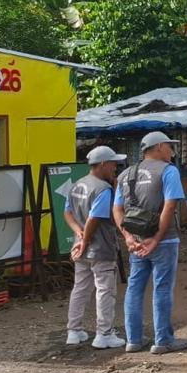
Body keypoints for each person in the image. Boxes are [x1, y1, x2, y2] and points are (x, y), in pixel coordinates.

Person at [113, 131, 187, 354]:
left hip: (136, 241)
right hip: (164, 240)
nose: (172, 151)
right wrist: (156, 238)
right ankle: (163, 340)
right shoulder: (169, 171)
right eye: (169, 146)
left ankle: (133, 340)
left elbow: (117, 209)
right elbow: (170, 207)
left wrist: (128, 237)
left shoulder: (125, 174)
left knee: (134, 287)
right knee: (162, 288)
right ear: (158, 147)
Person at [64, 145, 128, 349]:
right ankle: (104, 334)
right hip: (100, 247)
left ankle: (74, 331)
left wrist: (79, 234)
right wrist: (86, 238)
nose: (115, 167)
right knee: (105, 290)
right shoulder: (103, 189)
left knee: (80, 287)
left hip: (80, 248)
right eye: (113, 164)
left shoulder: (77, 185)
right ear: (102, 164)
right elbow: (95, 218)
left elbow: (67, 212)